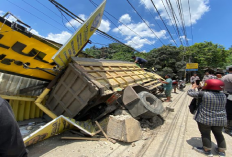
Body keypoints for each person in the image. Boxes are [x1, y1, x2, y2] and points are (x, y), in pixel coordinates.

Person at [187, 79, 227, 157]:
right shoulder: (224, 95)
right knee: (219, 134)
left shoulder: (204, 94)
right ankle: (221, 151)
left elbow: (190, 93)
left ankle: (207, 150)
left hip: (205, 119)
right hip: (220, 120)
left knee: (205, 134)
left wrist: (193, 87)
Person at [221, 68, 232, 136]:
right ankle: (229, 128)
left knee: (226, 110)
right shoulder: (230, 76)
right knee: (230, 111)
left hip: (225, 94)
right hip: (230, 95)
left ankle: (226, 126)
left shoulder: (224, 77)